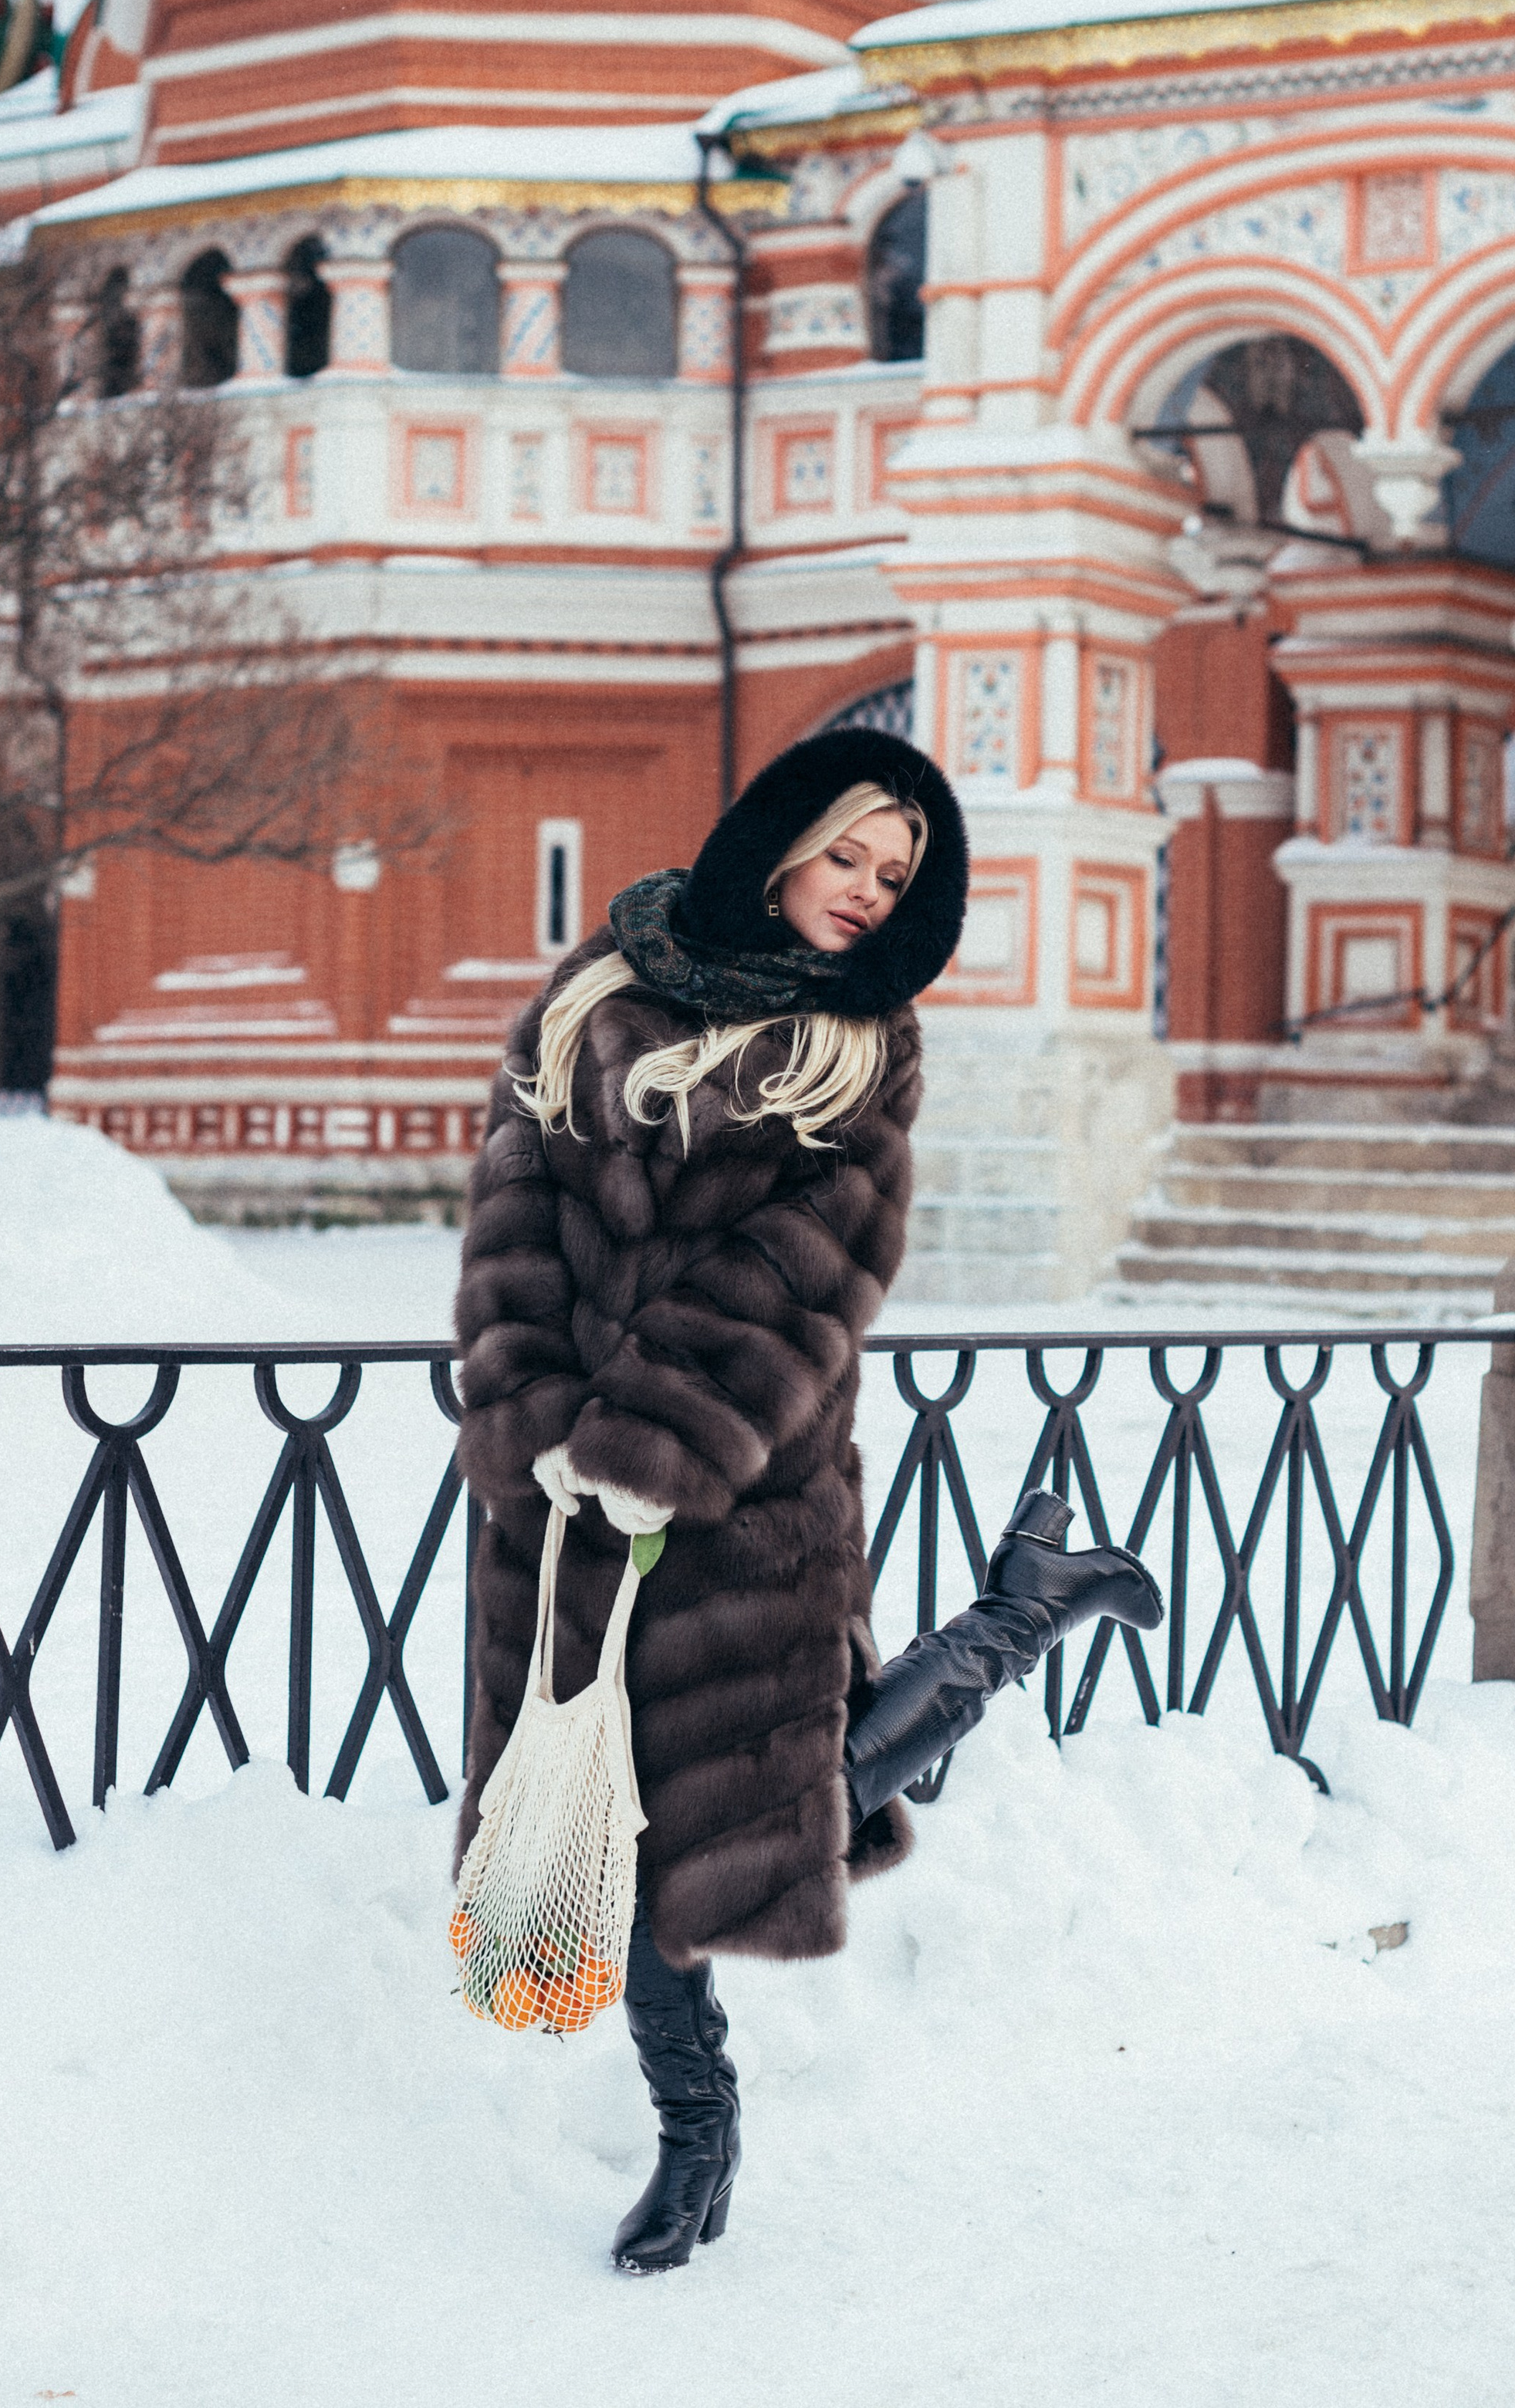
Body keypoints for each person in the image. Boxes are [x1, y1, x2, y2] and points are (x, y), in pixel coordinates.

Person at [453, 728, 1162, 2275]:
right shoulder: (601, 985)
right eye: (844, 852)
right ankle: (1024, 1607)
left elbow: (801, 1284)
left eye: (892, 875)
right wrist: (527, 1420)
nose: (861, 891)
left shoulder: (864, 1050)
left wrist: (645, 1444)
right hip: (558, 1518)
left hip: (740, 1496)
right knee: (609, 1836)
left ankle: (693, 2138)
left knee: (730, 1828)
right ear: (779, 840)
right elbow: (510, 1211)